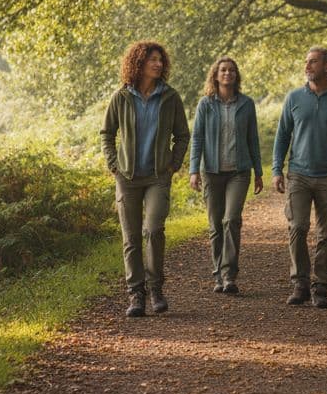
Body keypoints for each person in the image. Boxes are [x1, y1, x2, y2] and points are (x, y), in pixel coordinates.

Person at [100, 41, 190, 317]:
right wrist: (114, 164)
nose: (158, 64)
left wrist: (172, 164)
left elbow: (182, 135)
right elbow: (107, 133)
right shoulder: (121, 97)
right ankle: (136, 295)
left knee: (153, 230)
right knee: (131, 238)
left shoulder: (170, 97)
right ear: (138, 63)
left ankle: (156, 289)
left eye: (160, 60)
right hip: (127, 177)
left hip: (157, 177)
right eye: (153, 59)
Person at [272, 46, 327, 309]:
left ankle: (321, 287)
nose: (307, 66)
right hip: (299, 175)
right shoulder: (294, 97)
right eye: (306, 62)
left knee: (325, 234)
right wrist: (277, 169)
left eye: (313, 62)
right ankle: (301, 283)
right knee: (297, 227)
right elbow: (282, 135)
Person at [188, 57, 264, 294]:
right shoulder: (205, 104)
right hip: (211, 172)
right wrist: (193, 170)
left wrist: (259, 172)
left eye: (231, 70)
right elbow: (197, 138)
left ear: (236, 75)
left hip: (239, 172)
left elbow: (253, 139)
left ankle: (229, 275)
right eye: (223, 70)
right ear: (216, 75)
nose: (227, 73)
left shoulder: (247, 104)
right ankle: (218, 275)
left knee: (231, 220)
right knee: (215, 226)